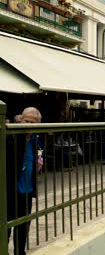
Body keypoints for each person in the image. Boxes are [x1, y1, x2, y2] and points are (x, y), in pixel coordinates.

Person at [6, 107, 43, 255]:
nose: (29, 125)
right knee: (6, 225)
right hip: (9, 190)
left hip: (26, 190)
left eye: (33, 123)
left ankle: (19, 252)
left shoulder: (36, 140)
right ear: (20, 120)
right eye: (26, 121)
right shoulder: (12, 136)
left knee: (23, 225)